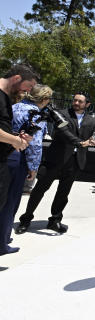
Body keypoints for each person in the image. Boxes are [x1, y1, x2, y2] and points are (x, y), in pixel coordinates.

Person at [17, 92, 95, 234]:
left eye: (80, 101)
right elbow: (63, 133)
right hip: (55, 159)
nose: (76, 103)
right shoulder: (61, 114)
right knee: (39, 190)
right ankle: (26, 219)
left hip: (74, 161)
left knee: (63, 194)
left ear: (87, 105)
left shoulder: (92, 120)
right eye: (75, 100)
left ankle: (55, 220)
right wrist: (80, 143)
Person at [0, 82, 46, 254]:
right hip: (19, 156)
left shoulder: (14, 106)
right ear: (44, 99)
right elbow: (35, 144)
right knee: (11, 200)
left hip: (5, 153)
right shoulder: (36, 114)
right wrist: (33, 167)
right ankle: (2, 241)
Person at [0, 65, 37, 219]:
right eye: (28, 86)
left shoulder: (5, 97)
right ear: (16, 78)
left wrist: (16, 136)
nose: (28, 91)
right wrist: (15, 140)